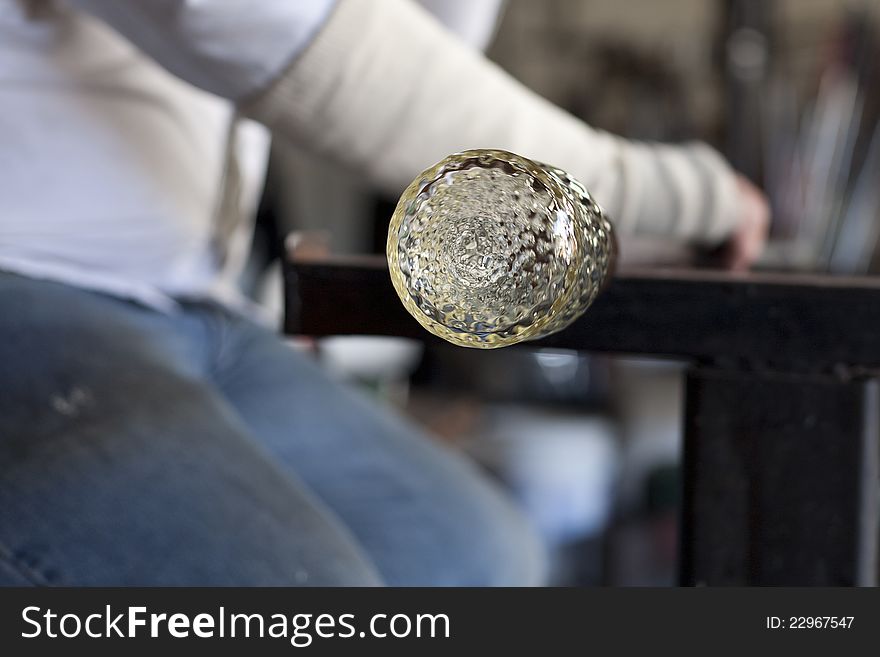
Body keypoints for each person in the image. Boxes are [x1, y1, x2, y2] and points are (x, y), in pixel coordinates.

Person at [0, 0, 768, 586]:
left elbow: (423, 41)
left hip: (185, 298)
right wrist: (668, 196)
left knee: (471, 559)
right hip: (29, 283)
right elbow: (296, 41)